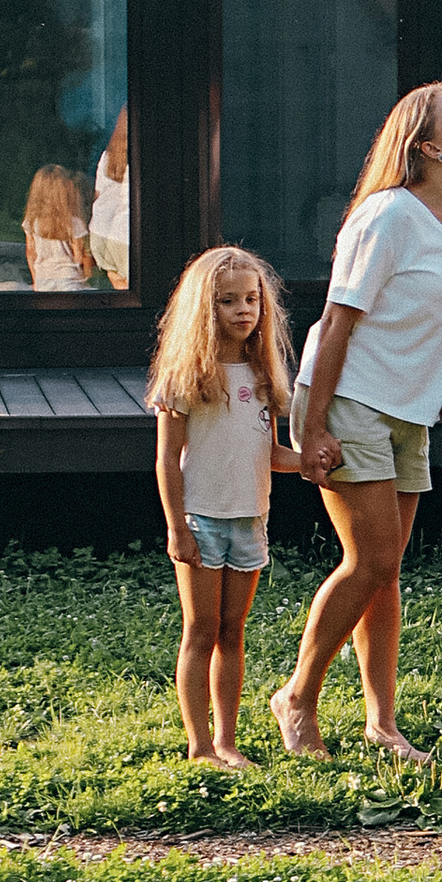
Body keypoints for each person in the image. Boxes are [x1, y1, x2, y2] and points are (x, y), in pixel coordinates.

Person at [270, 83, 442, 761]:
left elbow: (435, 311)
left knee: (385, 569)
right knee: (369, 560)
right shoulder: (388, 215)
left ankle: (382, 724)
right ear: (428, 147)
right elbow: (338, 322)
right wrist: (311, 429)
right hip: (349, 400)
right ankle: (297, 698)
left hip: (408, 409)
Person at [147, 244, 295, 767]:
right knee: (201, 630)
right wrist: (177, 527)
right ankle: (200, 745)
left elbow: (272, 453)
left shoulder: (263, 374)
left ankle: (228, 742)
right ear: (203, 309)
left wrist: (313, 462)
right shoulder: (185, 376)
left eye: (251, 299)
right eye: (227, 301)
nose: (243, 310)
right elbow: (167, 460)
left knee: (233, 632)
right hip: (201, 519)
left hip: (250, 519)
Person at [23, 162, 93, 291]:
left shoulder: (32, 221)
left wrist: (35, 279)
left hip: (43, 278)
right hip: (70, 278)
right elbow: (79, 257)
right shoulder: (75, 222)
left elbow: (30, 252)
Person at [91, 108, 131, 292]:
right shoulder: (138, 160)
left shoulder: (107, 157)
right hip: (124, 236)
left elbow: (98, 195)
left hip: (100, 233)